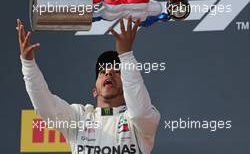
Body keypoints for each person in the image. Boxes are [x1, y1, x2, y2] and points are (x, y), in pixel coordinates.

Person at [16, 16, 160, 154]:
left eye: (116, 71)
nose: (108, 74)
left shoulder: (139, 121)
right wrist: (28, 65)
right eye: (102, 72)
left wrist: (126, 55)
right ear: (94, 91)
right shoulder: (78, 117)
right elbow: (46, 107)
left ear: (126, 87)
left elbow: (139, 111)